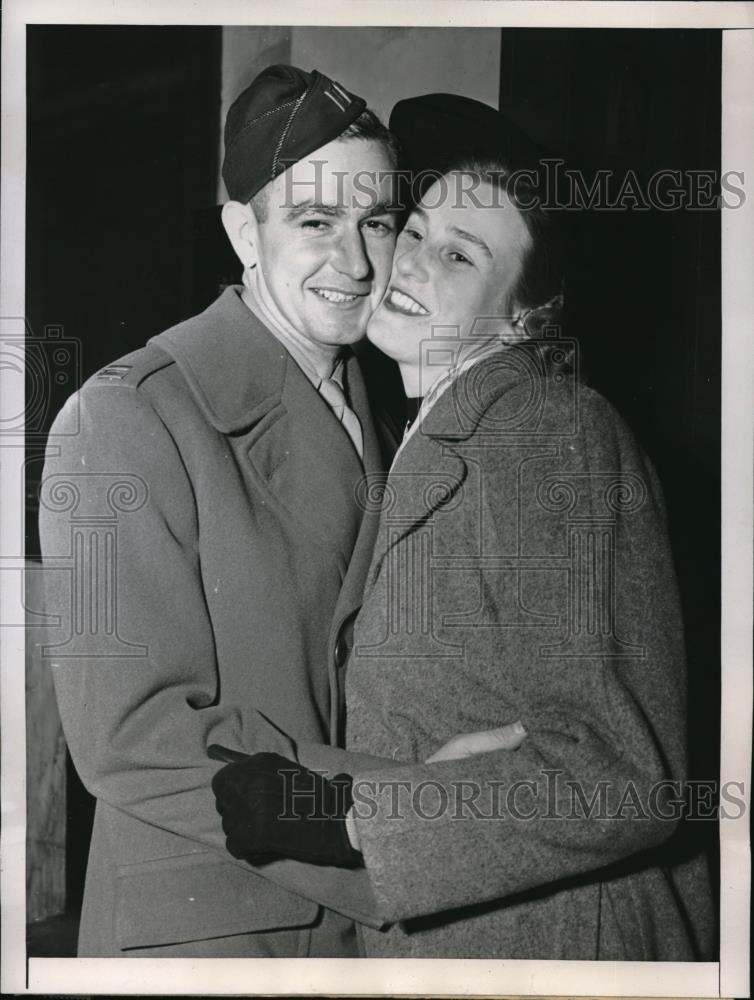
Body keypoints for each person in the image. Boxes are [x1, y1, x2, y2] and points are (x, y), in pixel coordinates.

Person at [212, 94, 716, 960]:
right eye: (414, 232)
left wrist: (348, 818)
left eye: (459, 254)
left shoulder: (545, 429)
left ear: (523, 314)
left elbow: (621, 776)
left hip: (562, 948)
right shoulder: (437, 437)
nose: (408, 261)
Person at [38, 63, 411, 958]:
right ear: (244, 232)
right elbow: (131, 735)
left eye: (378, 223)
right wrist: (404, 809)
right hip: (224, 931)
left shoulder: (388, 405)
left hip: (376, 925)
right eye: (315, 222)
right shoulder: (127, 413)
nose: (356, 261)